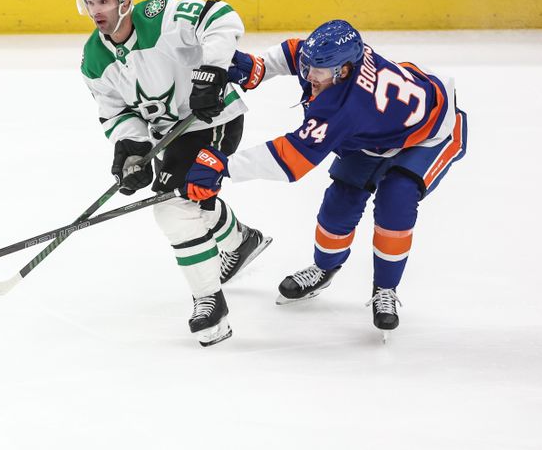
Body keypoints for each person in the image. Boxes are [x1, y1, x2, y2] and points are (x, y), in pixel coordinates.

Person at [180, 19, 467, 336]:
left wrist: (224, 166)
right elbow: (294, 52)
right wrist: (258, 66)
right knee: (339, 203)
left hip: (432, 132)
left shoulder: (344, 108)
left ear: (344, 71)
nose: (309, 76)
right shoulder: (332, 60)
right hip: (378, 133)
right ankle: (324, 268)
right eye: (309, 66)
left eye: (320, 70)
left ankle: (385, 289)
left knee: (395, 200)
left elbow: (291, 158)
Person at [77, 0, 272, 347]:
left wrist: (212, 71)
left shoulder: (159, 15)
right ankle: (240, 241)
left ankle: (210, 305)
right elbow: (115, 111)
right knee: (187, 197)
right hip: (175, 136)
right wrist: (132, 152)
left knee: (172, 206)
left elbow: (221, 16)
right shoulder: (93, 59)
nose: (97, 10)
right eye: (90, 2)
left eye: (104, 0)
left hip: (215, 119)